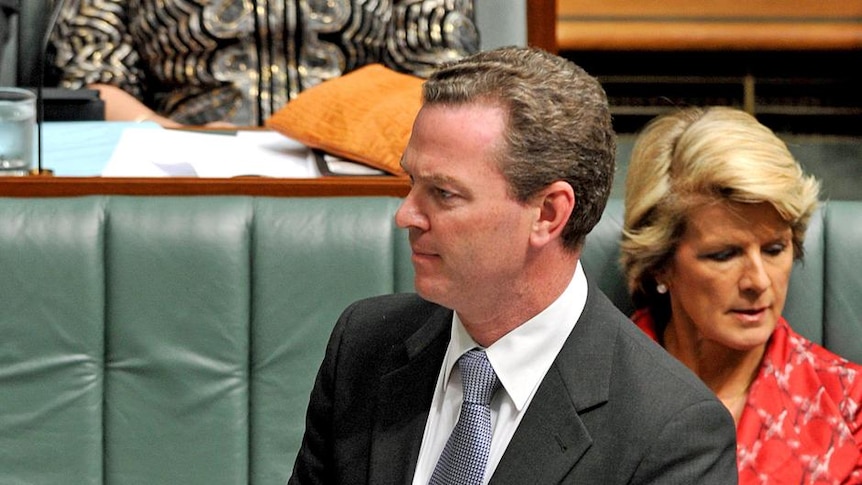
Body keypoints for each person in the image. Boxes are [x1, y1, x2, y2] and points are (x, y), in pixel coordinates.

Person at [289, 46, 738, 484]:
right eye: (412, 182)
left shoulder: (671, 433)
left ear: (547, 214)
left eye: (444, 194)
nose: (405, 215)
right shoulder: (365, 346)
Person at [620, 106, 862, 484]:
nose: (758, 281)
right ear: (660, 263)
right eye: (724, 255)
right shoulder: (593, 390)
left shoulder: (849, 403)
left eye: (774, 249)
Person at [48, 0, 478, 127]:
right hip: (179, 168)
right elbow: (91, 86)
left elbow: (440, 79)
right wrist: (175, 136)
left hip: (359, 167)